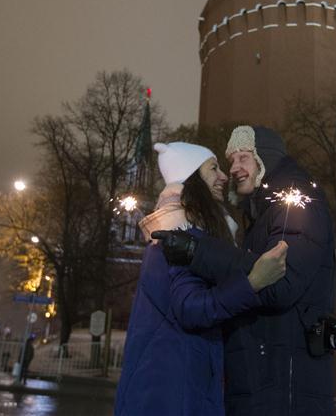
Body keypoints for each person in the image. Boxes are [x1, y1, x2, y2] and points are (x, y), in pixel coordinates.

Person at [155, 126, 336, 416]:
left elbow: (279, 280)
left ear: (264, 158)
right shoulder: (262, 214)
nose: (234, 168)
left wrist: (199, 252)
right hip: (265, 374)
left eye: (243, 157)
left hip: (282, 384)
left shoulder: (296, 202)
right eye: (230, 160)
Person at [115, 141, 288, 416]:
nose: (224, 176)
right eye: (213, 168)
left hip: (169, 388)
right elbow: (191, 308)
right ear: (192, 178)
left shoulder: (179, 231)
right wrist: (253, 282)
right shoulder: (178, 236)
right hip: (172, 395)